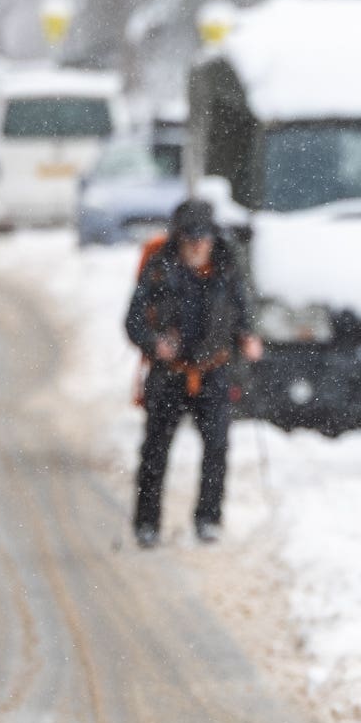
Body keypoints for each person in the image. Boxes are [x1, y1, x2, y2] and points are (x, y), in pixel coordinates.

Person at [123, 199, 259, 546]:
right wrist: (155, 344)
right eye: (191, 237)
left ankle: (208, 519)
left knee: (217, 447)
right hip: (169, 374)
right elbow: (133, 322)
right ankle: (147, 524)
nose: (198, 244)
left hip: (213, 371)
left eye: (204, 236)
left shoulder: (227, 267)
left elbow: (244, 310)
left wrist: (247, 336)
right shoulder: (158, 267)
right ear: (179, 237)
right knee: (155, 451)